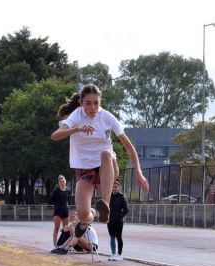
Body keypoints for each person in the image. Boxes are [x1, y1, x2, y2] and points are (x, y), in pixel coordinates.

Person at [51, 83, 149, 238]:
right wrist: (78, 129)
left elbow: (128, 146)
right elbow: (55, 136)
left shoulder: (107, 117)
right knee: (82, 213)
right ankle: (93, 214)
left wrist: (138, 171)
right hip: (85, 169)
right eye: (88, 103)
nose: (92, 107)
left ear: (100, 102)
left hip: (107, 166)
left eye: (96, 103)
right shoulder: (77, 115)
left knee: (106, 153)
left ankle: (105, 204)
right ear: (81, 103)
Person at [107, 179, 129, 261]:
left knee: (118, 237)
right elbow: (105, 208)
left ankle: (119, 255)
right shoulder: (108, 197)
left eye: (116, 187)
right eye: (112, 187)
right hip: (110, 221)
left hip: (119, 221)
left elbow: (126, 210)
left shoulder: (122, 198)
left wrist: (119, 216)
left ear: (119, 188)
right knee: (112, 237)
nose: (114, 188)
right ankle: (113, 254)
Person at [50, 175, 70, 246]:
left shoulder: (68, 190)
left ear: (65, 182)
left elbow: (68, 200)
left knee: (66, 229)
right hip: (58, 211)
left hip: (65, 211)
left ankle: (63, 245)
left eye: (63, 181)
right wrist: (57, 204)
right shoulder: (56, 191)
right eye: (61, 182)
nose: (62, 183)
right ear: (59, 183)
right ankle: (55, 244)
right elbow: (51, 201)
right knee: (57, 228)